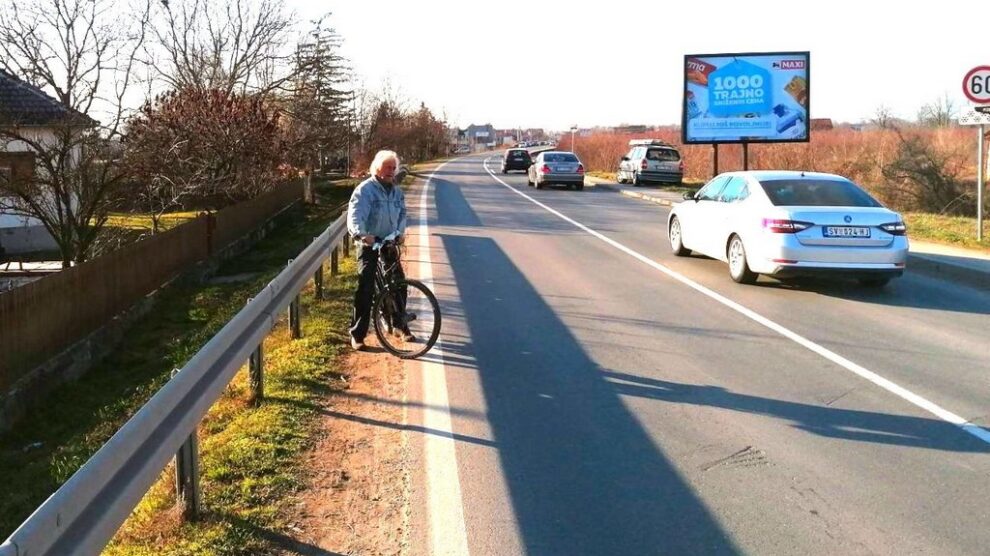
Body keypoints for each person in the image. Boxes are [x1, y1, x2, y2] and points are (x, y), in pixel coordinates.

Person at [346, 150, 412, 351]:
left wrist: (400, 233)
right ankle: (358, 334)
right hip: (369, 242)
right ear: (377, 169)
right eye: (387, 168)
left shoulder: (396, 192)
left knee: (399, 283)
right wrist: (362, 234)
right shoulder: (365, 190)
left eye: (393, 168)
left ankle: (400, 325)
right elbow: (355, 215)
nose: (391, 172)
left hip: (388, 241)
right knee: (365, 286)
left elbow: (402, 214)